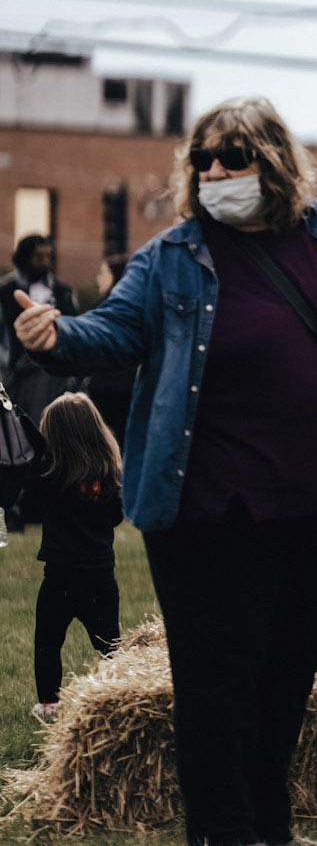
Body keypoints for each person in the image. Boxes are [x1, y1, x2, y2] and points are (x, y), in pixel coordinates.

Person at [12, 95, 317, 846]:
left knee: (291, 665)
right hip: (209, 510)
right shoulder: (175, 254)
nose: (212, 170)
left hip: (313, 501)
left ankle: (271, 825)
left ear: (272, 162)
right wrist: (54, 337)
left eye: (230, 156)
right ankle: (223, 831)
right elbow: (111, 329)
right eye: (202, 157)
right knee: (218, 679)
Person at [26, 392, 124, 719]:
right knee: (111, 646)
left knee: (48, 643)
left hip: (60, 578)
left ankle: (50, 705)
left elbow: (30, 500)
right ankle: (122, 697)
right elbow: (115, 518)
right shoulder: (109, 476)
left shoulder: (49, 476)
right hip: (100, 577)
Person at [2, 236, 77, 426]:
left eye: (48, 256)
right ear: (24, 258)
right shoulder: (5, 291)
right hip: (12, 374)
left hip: (51, 375)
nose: (45, 262)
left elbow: (73, 328)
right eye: (39, 257)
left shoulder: (62, 290)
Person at [84, 254, 137, 453]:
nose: (99, 278)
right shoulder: (137, 309)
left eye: (103, 273)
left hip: (107, 390)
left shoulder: (107, 311)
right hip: (130, 390)